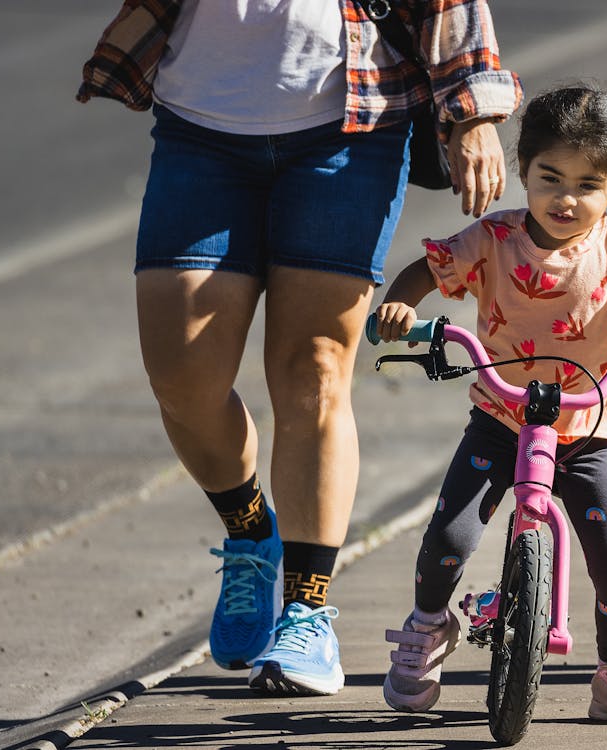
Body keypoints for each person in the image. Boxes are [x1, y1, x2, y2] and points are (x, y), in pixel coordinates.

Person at [77, 0, 522, 696]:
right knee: (181, 377)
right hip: (202, 125)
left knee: (314, 368)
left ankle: (308, 611)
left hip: (350, 128)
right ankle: (250, 530)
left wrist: (472, 114)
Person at [372, 85, 607, 721]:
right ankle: (427, 629)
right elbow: (429, 270)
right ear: (522, 171)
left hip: (585, 430)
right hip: (501, 420)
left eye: (588, 184)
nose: (566, 198)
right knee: (448, 536)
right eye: (550, 178)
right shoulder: (495, 238)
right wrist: (403, 305)